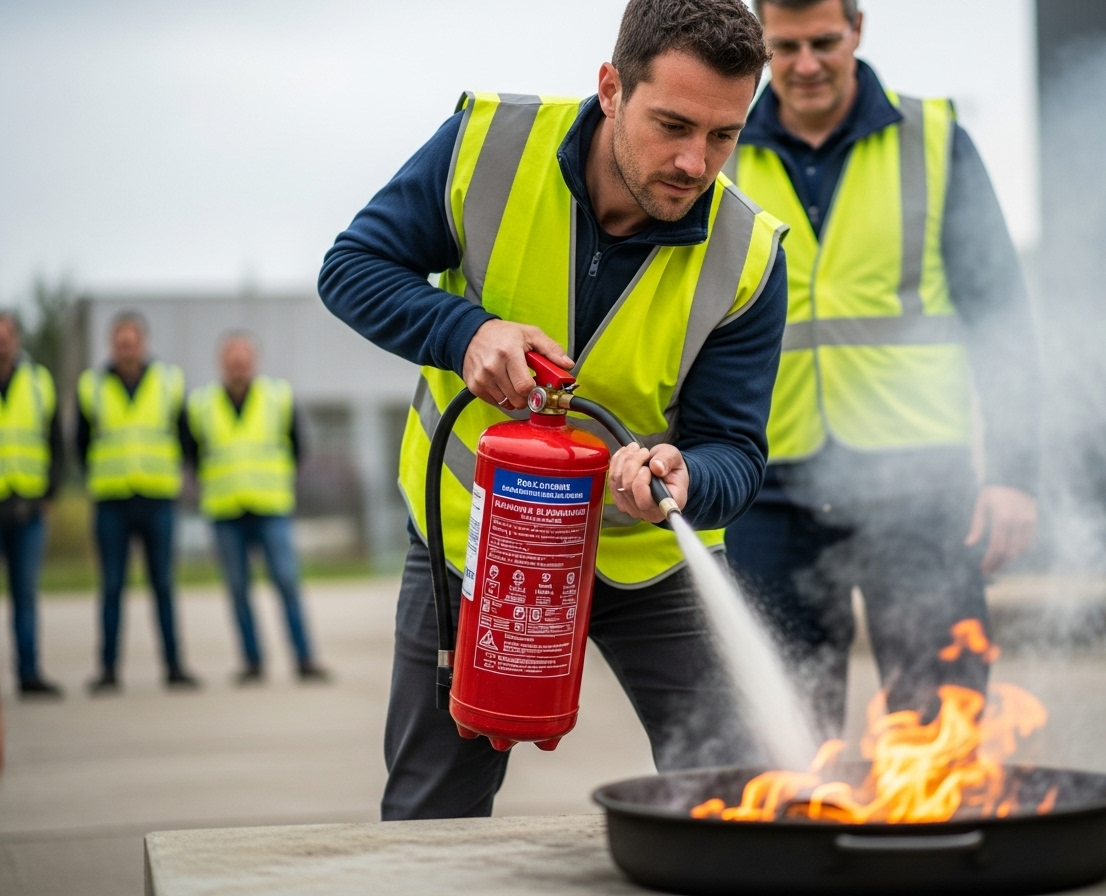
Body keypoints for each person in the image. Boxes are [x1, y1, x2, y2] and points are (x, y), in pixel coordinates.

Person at [319, 0, 789, 819]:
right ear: (610, 87)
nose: (694, 162)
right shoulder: (488, 147)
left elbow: (735, 451)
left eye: (724, 135)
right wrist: (463, 330)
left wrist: (685, 476)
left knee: (739, 800)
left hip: (647, 557)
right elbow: (352, 268)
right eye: (673, 124)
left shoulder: (748, 255)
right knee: (434, 817)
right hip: (474, 544)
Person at [724, 0, 1041, 736]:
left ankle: (943, 848)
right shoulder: (722, 148)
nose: (805, 65)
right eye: (785, 46)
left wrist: (1014, 472)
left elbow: (1002, 318)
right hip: (764, 484)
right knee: (779, 730)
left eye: (824, 42)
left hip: (920, 481)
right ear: (760, 40)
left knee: (941, 716)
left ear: (858, 29)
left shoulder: (934, 139)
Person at [186, 333, 329, 684]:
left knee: (286, 583)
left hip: (271, 507)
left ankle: (304, 659)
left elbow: (297, 446)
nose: (238, 362)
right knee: (237, 589)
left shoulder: (277, 397)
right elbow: (191, 452)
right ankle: (252, 662)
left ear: (254, 360)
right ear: (222, 362)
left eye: (244, 355)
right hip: (224, 509)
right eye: (232, 356)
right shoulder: (201, 404)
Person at [77, 311, 199, 693]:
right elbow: (80, 443)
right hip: (111, 500)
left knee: (163, 585)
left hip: (157, 497)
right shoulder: (91, 386)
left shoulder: (169, 382)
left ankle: (174, 666)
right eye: (120, 341)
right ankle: (108, 670)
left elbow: (185, 438)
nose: (126, 347)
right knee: (112, 586)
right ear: (111, 345)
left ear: (143, 342)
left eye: (132, 340)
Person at [0, 313, 64, 699]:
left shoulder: (39, 383)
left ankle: (28, 673)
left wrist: (50, 494)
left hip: (27, 507)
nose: (1, 343)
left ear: (18, 339)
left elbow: (57, 444)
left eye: (7, 335)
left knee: (25, 596)